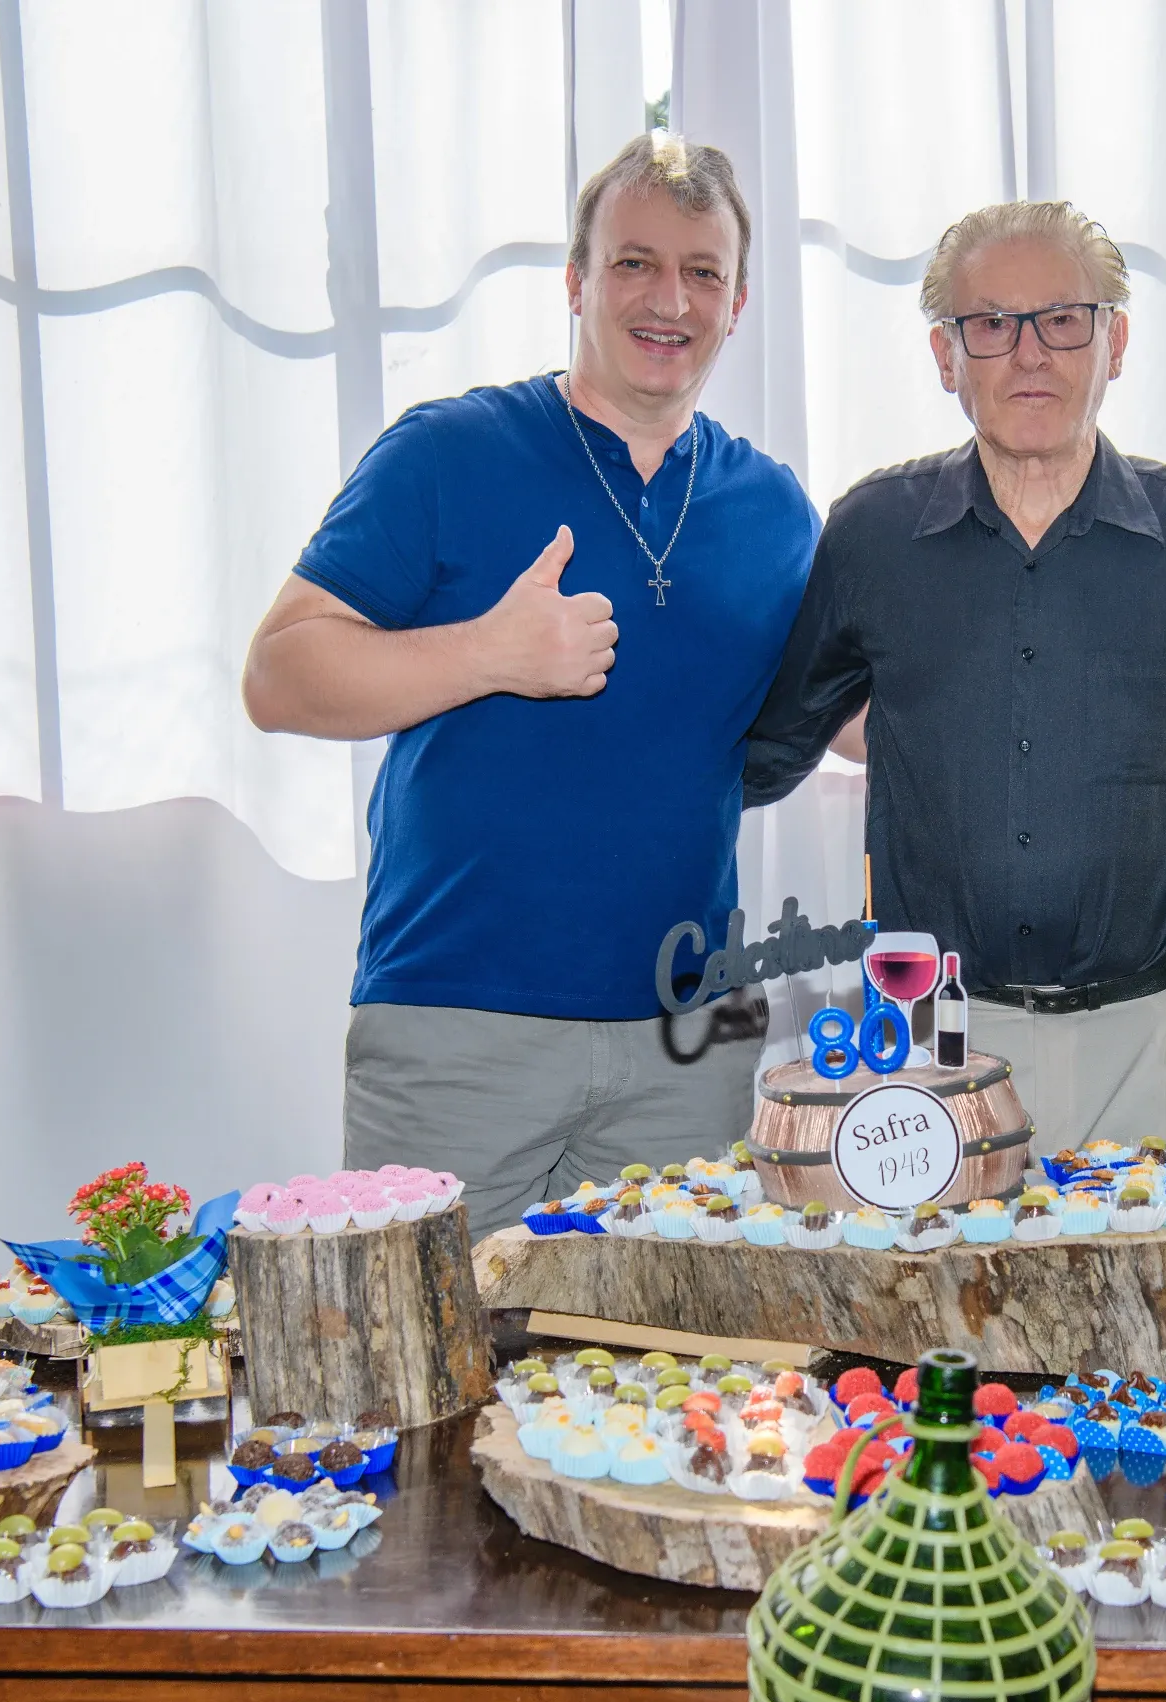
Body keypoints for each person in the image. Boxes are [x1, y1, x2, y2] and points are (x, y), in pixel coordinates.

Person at [243, 133, 818, 1237]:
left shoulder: (776, 508)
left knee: (664, 1389)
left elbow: (831, 712)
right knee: (422, 1374)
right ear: (575, 280)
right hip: (457, 1026)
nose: (670, 299)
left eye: (703, 272)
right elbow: (278, 674)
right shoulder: (448, 451)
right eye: (634, 263)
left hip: (687, 1041)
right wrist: (489, 654)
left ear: (737, 302)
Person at [746, 201, 1166, 1163]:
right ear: (947, 357)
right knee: (939, 1316)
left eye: (1064, 318)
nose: (1031, 353)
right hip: (932, 1046)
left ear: (1116, 343)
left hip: (1163, 1040)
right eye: (992, 325)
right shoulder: (870, 538)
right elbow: (765, 750)